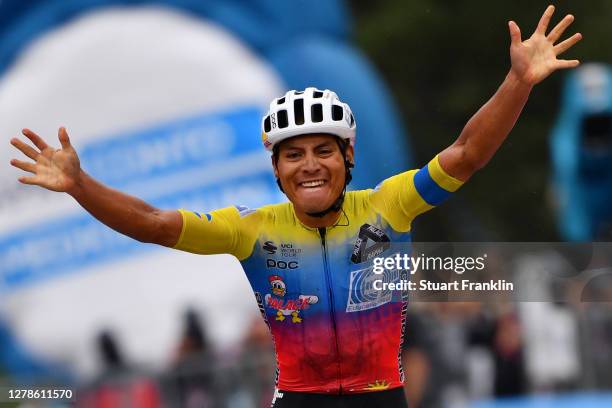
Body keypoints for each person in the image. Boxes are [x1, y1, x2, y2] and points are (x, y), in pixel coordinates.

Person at [9, 6, 581, 407]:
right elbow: (155, 224)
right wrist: (82, 185)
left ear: (349, 156)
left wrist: (517, 81)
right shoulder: (251, 230)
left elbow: (465, 154)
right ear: (276, 167)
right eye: (295, 154)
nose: (310, 165)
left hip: (382, 398)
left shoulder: (391, 203)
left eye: (324, 151)